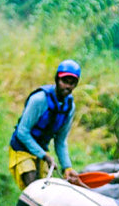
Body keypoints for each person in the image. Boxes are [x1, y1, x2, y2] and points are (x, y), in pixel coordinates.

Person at [9, 59, 82, 190]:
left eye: (72, 83)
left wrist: (67, 167)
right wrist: (44, 155)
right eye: (64, 81)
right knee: (33, 187)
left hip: (42, 150)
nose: (68, 86)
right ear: (57, 80)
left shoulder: (69, 107)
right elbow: (22, 132)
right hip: (21, 148)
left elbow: (60, 141)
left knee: (45, 190)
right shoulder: (39, 100)